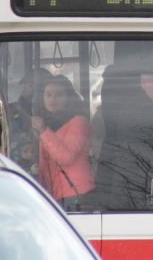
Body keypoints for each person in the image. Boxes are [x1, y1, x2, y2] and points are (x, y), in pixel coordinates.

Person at [96, 41, 153, 209]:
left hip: (143, 185)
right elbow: (146, 153)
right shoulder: (138, 112)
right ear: (144, 83)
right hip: (137, 189)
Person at [32, 74, 95, 207]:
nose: (52, 99)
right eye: (48, 95)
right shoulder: (44, 123)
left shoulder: (78, 122)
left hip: (77, 193)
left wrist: (43, 130)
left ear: (69, 98)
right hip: (53, 194)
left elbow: (66, 158)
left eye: (59, 95)